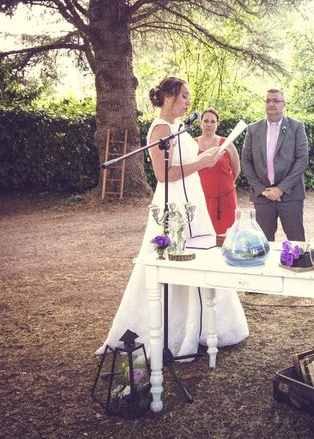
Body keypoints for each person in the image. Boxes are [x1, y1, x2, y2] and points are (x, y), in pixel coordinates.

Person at [96, 77, 248, 358]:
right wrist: (202, 162)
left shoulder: (180, 128)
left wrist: (209, 156)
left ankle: (201, 326)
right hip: (174, 203)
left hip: (193, 199)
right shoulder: (160, 130)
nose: (188, 102)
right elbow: (163, 175)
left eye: (189, 97)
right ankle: (172, 329)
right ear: (168, 97)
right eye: (184, 96)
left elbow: (189, 162)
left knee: (200, 259)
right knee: (174, 259)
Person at [241, 88, 308, 241]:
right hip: (262, 197)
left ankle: (297, 266)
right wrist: (261, 189)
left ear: (284, 104)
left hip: (290, 195)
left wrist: (281, 189)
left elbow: (302, 160)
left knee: (296, 242)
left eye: (276, 100)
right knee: (263, 244)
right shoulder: (253, 129)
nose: (271, 104)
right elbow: (246, 161)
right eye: (268, 100)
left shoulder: (297, 127)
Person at [195, 108, 240, 235]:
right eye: (206, 121)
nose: (209, 124)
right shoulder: (192, 145)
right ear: (201, 123)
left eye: (213, 122)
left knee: (228, 237)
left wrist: (225, 186)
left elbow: (236, 170)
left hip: (226, 199)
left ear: (217, 124)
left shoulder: (227, 144)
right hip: (202, 199)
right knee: (203, 236)